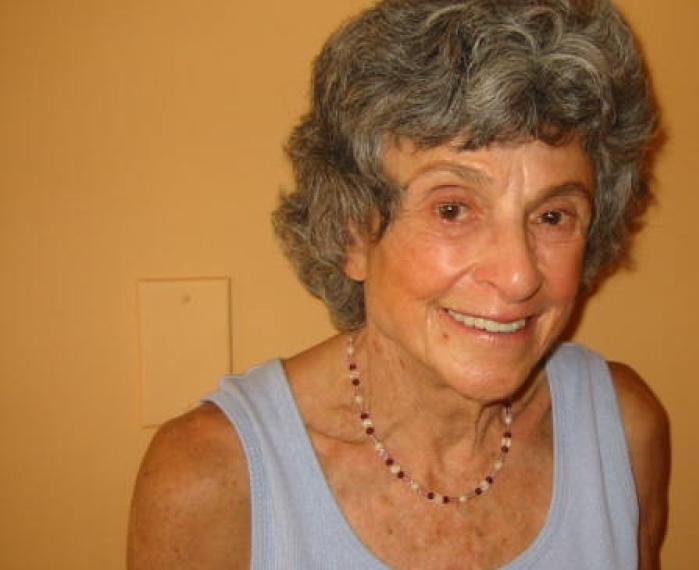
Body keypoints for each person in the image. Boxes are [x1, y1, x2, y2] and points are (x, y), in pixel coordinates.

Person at [127, 0, 669, 568]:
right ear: (354, 231)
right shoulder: (215, 478)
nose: (518, 275)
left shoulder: (624, 432)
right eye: (454, 209)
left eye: (553, 216)